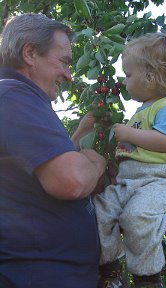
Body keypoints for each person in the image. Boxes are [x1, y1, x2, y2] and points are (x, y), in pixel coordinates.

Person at [0, 13, 106, 287]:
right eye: (64, 62)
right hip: (37, 275)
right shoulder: (15, 97)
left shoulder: (17, 100)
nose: (69, 75)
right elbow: (71, 181)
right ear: (30, 53)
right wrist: (94, 161)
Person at [94, 33, 166, 288]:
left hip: (161, 184)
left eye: (128, 75)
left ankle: (147, 279)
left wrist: (129, 134)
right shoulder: (143, 111)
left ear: (150, 76)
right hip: (130, 185)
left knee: (137, 216)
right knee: (99, 210)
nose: (124, 82)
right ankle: (110, 270)